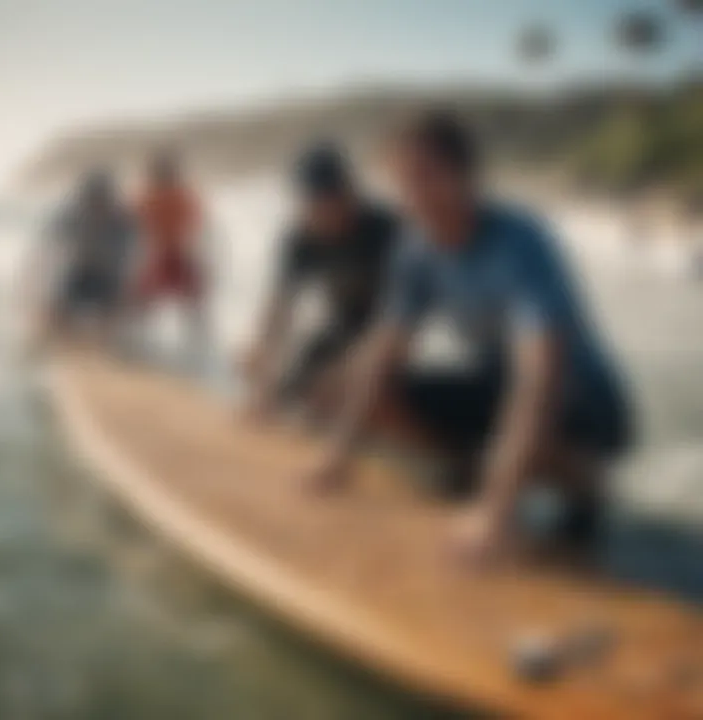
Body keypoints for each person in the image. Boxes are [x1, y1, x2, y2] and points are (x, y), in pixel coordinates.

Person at [304, 112, 633, 565]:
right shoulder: (415, 248)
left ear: (467, 177)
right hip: (499, 381)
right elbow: (385, 349)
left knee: (520, 428)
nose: (414, 196)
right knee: (342, 387)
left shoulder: (520, 240)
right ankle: (471, 469)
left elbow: (540, 376)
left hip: (584, 403)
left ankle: (586, 485)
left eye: (427, 177)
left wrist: (495, 512)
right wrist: (337, 453)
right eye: (402, 182)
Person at [243, 143, 399, 420]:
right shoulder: (301, 238)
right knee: (290, 390)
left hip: (397, 329)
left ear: (350, 193)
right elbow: (280, 308)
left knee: (353, 390)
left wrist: (352, 369)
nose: (323, 214)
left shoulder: (387, 230)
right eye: (312, 204)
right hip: (345, 324)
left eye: (331, 201)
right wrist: (262, 365)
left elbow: (407, 315)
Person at [35, 170, 134, 346]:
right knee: (58, 306)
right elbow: (50, 238)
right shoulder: (76, 215)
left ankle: (107, 343)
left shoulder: (121, 220)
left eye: (100, 198)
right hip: (81, 273)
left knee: (116, 305)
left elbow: (128, 256)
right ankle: (56, 339)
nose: (96, 203)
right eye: (93, 198)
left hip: (107, 277)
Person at [133, 152, 208, 360]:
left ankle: (199, 343)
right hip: (160, 255)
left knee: (192, 302)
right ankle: (138, 339)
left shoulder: (181, 196)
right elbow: (135, 226)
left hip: (177, 255)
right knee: (142, 300)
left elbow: (197, 227)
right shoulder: (147, 197)